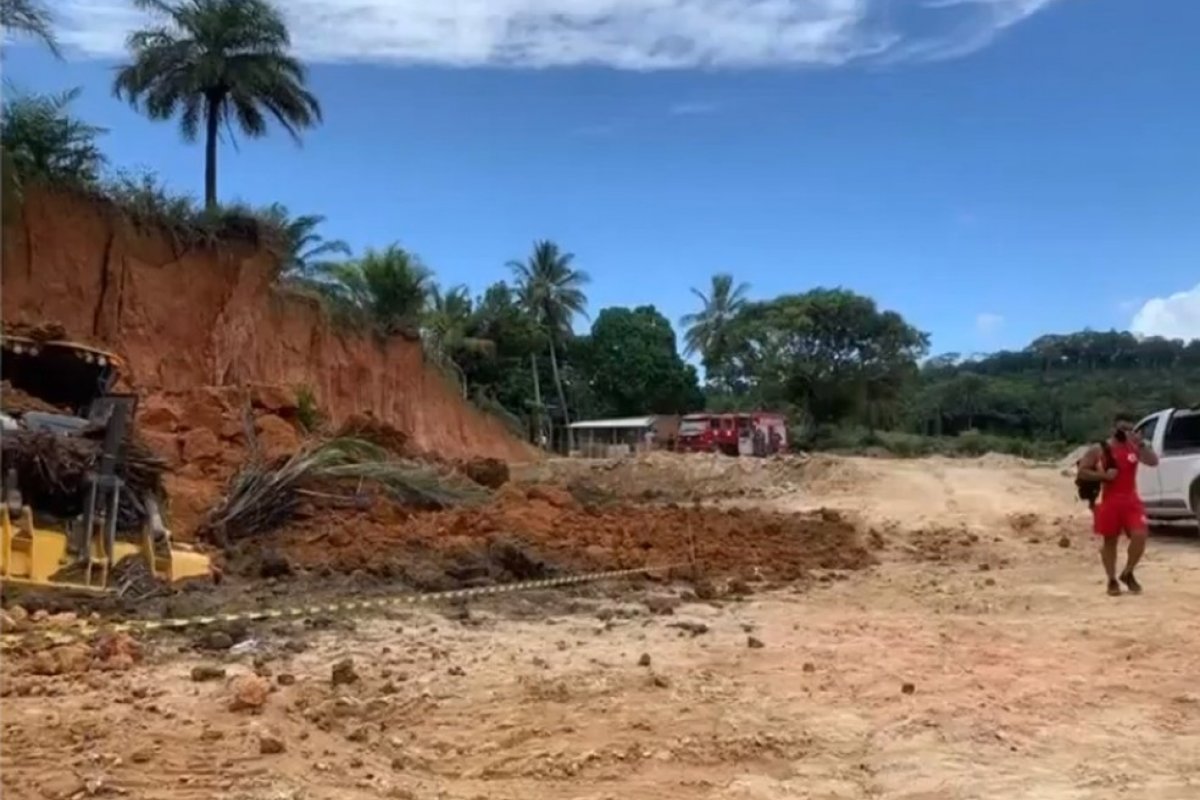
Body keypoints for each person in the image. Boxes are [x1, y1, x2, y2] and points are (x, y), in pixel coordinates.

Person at [1075, 413, 1159, 596]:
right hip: (1109, 501)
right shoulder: (1100, 449)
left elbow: (1153, 462)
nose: (1127, 432)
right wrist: (1104, 476)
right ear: (1113, 428)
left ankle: (1128, 572)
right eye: (1123, 428)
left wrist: (1141, 443)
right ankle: (1111, 579)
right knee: (1110, 541)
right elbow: (1082, 472)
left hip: (1131, 499)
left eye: (1130, 429)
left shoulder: (1135, 447)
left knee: (1140, 535)